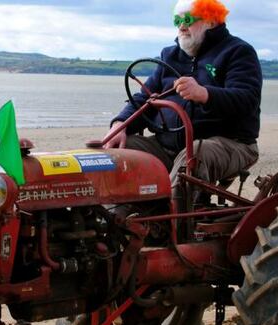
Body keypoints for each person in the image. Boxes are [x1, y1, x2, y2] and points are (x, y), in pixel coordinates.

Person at [105, 0, 262, 189]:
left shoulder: (237, 51)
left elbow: (247, 99)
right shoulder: (169, 55)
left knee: (193, 156)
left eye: (187, 19)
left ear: (211, 21)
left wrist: (205, 94)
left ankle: (172, 215)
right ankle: (118, 213)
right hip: (168, 145)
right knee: (118, 150)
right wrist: (121, 123)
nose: (181, 26)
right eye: (177, 20)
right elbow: (145, 97)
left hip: (231, 143)